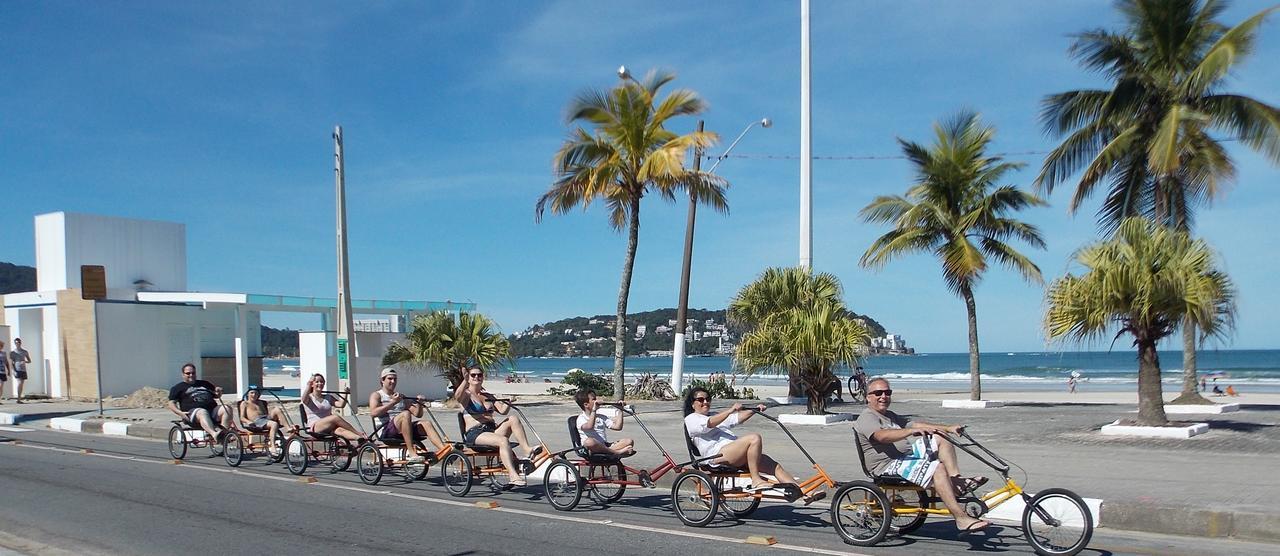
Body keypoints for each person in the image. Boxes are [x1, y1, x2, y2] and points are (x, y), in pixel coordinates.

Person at [854, 377, 990, 534]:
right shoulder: (867, 417)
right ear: (868, 396)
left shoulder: (890, 415)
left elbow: (916, 425)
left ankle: (955, 481)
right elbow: (881, 436)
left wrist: (947, 428)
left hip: (904, 457)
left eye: (887, 392)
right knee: (937, 468)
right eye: (878, 393)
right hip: (886, 465)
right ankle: (961, 518)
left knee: (940, 437)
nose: (883, 396)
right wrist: (910, 432)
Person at [683, 387, 797, 492]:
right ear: (693, 404)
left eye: (707, 399)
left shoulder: (714, 414)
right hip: (716, 456)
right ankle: (756, 480)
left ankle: (801, 491)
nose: (705, 402)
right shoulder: (691, 419)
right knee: (754, 438)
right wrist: (730, 410)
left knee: (775, 466)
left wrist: (755, 409)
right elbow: (710, 423)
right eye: (701, 400)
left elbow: (736, 418)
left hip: (734, 453)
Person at [455, 367, 542, 487]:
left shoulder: (487, 395)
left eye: (479, 375)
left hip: (491, 431)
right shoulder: (466, 395)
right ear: (469, 378)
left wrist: (509, 402)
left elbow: (502, 410)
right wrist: (464, 381)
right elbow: (457, 396)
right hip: (475, 434)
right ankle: (512, 475)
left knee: (513, 419)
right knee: (503, 440)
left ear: (483, 377)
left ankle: (527, 449)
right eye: (473, 375)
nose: (476, 377)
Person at [369, 368, 446, 463]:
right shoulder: (377, 395)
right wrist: (392, 402)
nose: (393, 381)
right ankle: (411, 452)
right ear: (382, 380)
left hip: (403, 429)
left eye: (395, 379)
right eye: (390, 379)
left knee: (426, 423)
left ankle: (444, 451)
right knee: (405, 414)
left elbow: (418, 414)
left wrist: (419, 403)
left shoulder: (400, 396)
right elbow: (373, 413)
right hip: (386, 431)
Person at [166, 363, 233, 441]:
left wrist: (219, 392)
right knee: (202, 411)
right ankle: (214, 434)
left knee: (227, 408)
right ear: (183, 374)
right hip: (192, 414)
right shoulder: (177, 388)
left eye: (193, 373)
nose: (191, 375)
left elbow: (216, 395)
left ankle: (223, 434)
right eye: (188, 373)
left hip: (212, 411)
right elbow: (171, 403)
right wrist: (180, 413)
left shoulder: (205, 384)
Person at [300, 374, 364, 443]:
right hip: (315, 427)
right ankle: (358, 433)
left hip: (329, 425)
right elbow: (303, 399)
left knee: (341, 431)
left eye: (322, 382)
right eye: (317, 382)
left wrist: (345, 393)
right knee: (335, 417)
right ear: (312, 384)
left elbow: (341, 405)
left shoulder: (328, 397)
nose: (320, 384)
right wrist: (309, 384)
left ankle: (360, 439)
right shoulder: (309, 398)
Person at [574, 389, 634, 456]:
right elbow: (589, 426)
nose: (596, 401)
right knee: (589, 442)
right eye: (593, 399)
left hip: (604, 446)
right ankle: (617, 452)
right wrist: (594, 410)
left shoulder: (601, 417)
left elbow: (618, 427)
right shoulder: (581, 418)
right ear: (586, 404)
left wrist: (620, 410)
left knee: (629, 441)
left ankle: (609, 451)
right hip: (590, 448)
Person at [9, 338, 31, 403]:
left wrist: (25, 361)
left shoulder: (25, 352)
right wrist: (13, 371)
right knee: (20, 382)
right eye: (16, 342)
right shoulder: (13, 353)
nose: (18, 343)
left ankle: (19, 398)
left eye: (19, 342)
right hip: (17, 369)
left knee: (22, 384)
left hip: (23, 369)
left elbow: (29, 361)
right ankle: (18, 399)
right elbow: (11, 363)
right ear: (15, 344)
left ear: (20, 343)